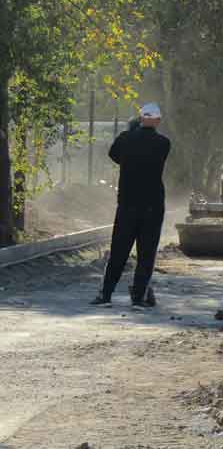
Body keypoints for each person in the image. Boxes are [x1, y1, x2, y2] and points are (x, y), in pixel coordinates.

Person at [90, 102, 171, 309]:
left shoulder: (125, 139)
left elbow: (114, 155)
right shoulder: (163, 143)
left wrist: (131, 132)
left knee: (118, 250)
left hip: (127, 204)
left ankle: (105, 295)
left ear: (140, 118)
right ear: (157, 120)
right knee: (146, 253)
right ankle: (138, 298)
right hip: (152, 206)